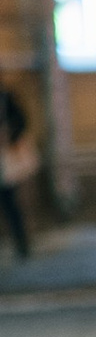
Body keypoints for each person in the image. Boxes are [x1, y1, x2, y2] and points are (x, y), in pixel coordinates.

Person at [0, 74, 35, 262]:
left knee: (10, 203)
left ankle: (22, 243)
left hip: (5, 160)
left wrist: (9, 135)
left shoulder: (6, 97)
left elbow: (21, 121)